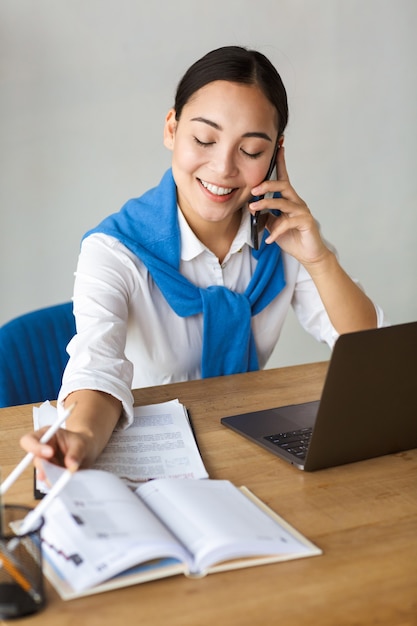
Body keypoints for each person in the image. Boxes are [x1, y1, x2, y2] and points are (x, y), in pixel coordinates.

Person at [20, 45, 387, 473]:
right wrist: (79, 435)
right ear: (171, 129)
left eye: (251, 150)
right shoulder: (114, 249)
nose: (223, 167)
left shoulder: (283, 239)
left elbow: (369, 354)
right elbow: (98, 368)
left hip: (242, 450)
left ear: (275, 155)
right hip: (151, 458)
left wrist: (319, 259)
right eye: (204, 139)